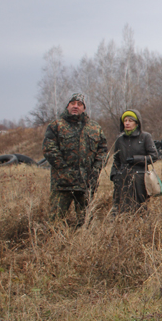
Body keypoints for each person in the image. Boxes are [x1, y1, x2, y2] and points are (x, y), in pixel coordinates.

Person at [42, 93, 107, 225]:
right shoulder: (56, 126)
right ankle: (55, 244)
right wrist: (65, 170)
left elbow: (103, 151)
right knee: (55, 222)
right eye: (73, 103)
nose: (75, 106)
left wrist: (95, 171)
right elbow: (49, 149)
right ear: (67, 106)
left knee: (86, 222)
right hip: (62, 183)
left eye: (79, 104)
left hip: (86, 183)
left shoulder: (94, 128)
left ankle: (82, 244)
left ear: (84, 108)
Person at [110, 109, 159, 214]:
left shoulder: (145, 137)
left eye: (130, 121)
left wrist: (136, 159)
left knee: (140, 208)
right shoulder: (120, 139)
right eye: (125, 120)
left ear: (137, 123)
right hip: (122, 179)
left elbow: (153, 156)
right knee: (121, 209)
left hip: (140, 179)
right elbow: (116, 159)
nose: (127, 123)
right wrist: (114, 175)